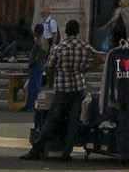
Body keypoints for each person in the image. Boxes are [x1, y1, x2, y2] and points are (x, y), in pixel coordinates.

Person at [23, 20, 100, 161]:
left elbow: (49, 67)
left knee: (51, 120)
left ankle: (36, 150)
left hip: (62, 88)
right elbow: (99, 58)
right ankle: (66, 153)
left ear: (66, 32)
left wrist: (50, 82)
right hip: (78, 88)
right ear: (78, 31)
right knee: (73, 121)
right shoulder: (84, 46)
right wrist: (85, 70)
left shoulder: (59, 48)